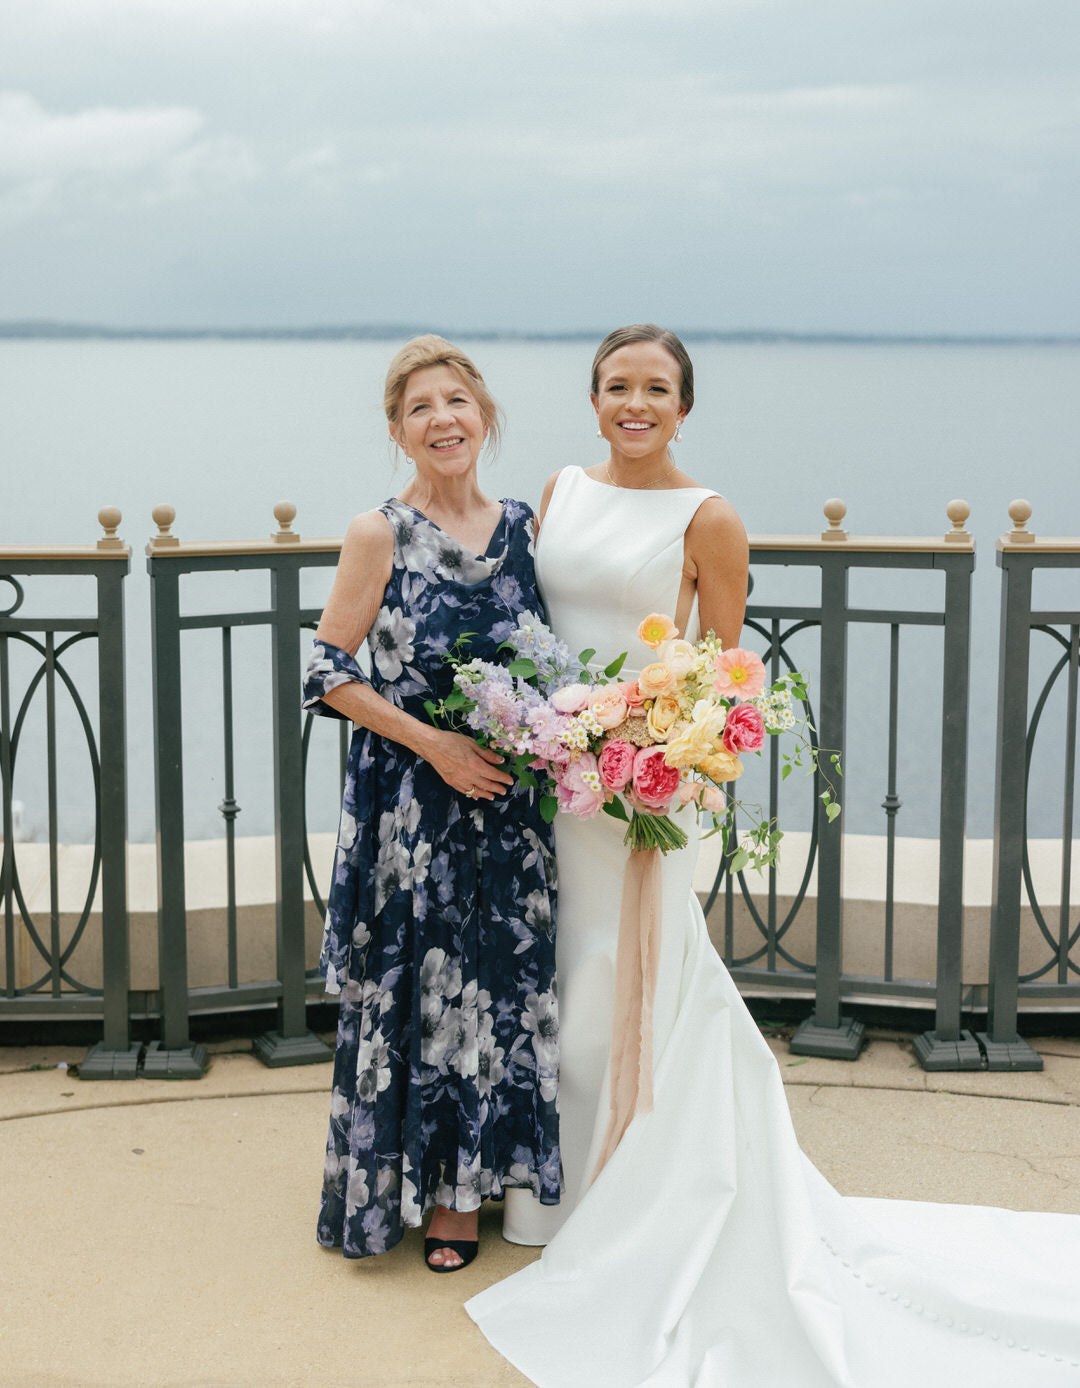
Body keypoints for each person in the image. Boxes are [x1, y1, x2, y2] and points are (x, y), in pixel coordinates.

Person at [466, 325, 1080, 1384]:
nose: (635, 402)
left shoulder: (711, 515)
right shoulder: (559, 491)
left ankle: (631, 1204)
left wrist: (656, 753)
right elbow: (526, 620)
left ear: (685, 404)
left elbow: (722, 670)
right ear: (594, 396)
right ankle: (545, 1198)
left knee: (633, 985)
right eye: (617, 384)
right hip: (556, 785)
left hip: (644, 797)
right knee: (559, 991)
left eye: (656, 387)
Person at [303, 336, 559, 1272]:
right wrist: (435, 745)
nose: (443, 418)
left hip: (513, 811)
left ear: (485, 413)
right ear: (397, 431)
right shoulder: (381, 533)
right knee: (423, 996)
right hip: (415, 810)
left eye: (457, 400)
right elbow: (327, 672)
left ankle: (470, 1191)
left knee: (497, 997)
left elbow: (560, 650)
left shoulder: (527, 527)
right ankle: (411, 1195)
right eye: (421, 408)